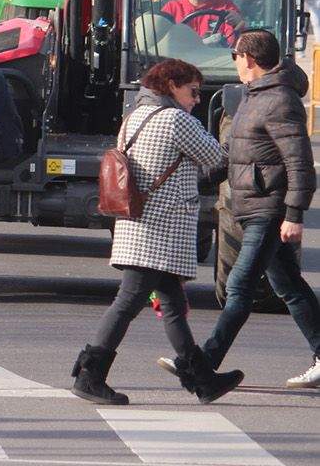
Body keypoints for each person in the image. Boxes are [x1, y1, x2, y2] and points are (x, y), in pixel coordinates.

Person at [69, 59, 238, 405]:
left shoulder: (135, 117)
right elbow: (217, 158)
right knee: (128, 301)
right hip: (159, 230)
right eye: (192, 92)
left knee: (173, 304)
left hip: (137, 225)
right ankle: (90, 375)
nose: (196, 99)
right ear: (172, 85)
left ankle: (203, 380)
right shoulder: (175, 119)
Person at [172, 29, 320, 389]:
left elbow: (301, 164)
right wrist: (192, 182)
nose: (235, 62)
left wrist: (295, 215)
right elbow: (237, 156)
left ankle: (203, 365)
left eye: (235, 56)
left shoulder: (280, 100)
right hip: (252, 205)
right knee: (289, 286)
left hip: (268, 209)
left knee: (239, 287)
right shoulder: (254, 97)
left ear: (249, 59)